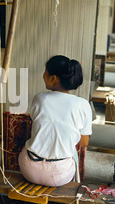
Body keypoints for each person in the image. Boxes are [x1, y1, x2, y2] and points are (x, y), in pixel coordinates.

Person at [18, 55, 92, 187]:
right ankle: (69, 201)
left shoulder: (39, 98)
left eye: (45, 72)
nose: (43, 75)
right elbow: (84, 142)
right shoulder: (83, 105)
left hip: (28, 170)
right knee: (73, 152)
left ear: (52, 78)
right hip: (59, 176)